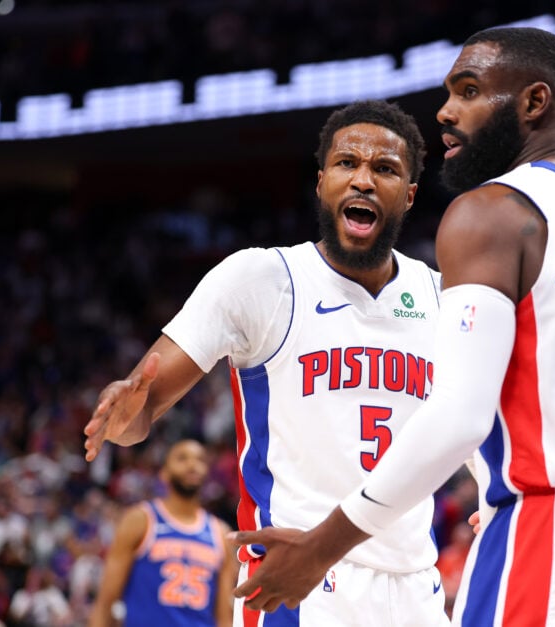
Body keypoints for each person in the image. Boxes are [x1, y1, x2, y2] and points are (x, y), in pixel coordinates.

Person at [230, 26, 555, 625]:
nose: (445, 112)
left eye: (468, 91)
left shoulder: (491, 213)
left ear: (534, 102)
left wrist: (321, 547)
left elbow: (458, 418)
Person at [83, 100, 451, 626]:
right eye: (347, 163)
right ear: (322, 182)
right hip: (297, 582)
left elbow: (471, 420)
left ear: (410, 194)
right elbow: (139, 415)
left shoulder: (441, 295)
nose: (363, 180)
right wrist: (123, 415)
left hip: (415, 587)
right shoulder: (261, 279)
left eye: (385, 169)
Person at [88, 439, 237, 627]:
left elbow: (224, 617)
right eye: (182, 458)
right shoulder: (141, 520)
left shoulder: (220, 533)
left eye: (200, 460)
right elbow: (105, 603)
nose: (192, 465)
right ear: (164, 473)